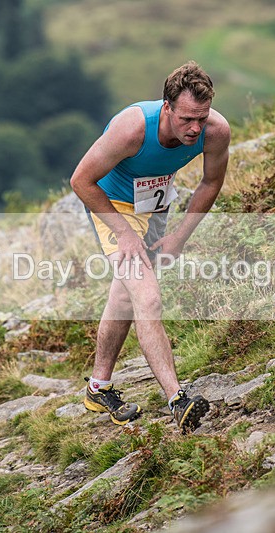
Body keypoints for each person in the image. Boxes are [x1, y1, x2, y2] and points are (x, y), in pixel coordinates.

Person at [70, 61, 230, 432]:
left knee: (125, 297)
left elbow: (211, 182)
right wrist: (124, 232)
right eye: (187, 118)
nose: (195, 128)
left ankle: (98, 387)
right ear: (167, 107)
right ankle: (177, 399)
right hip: (112, 206)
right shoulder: (133, 129)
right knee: (147, 297)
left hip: (154, 205)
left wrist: (178, 237)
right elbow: (81, 181)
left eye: (201, 118)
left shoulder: (216, 131)